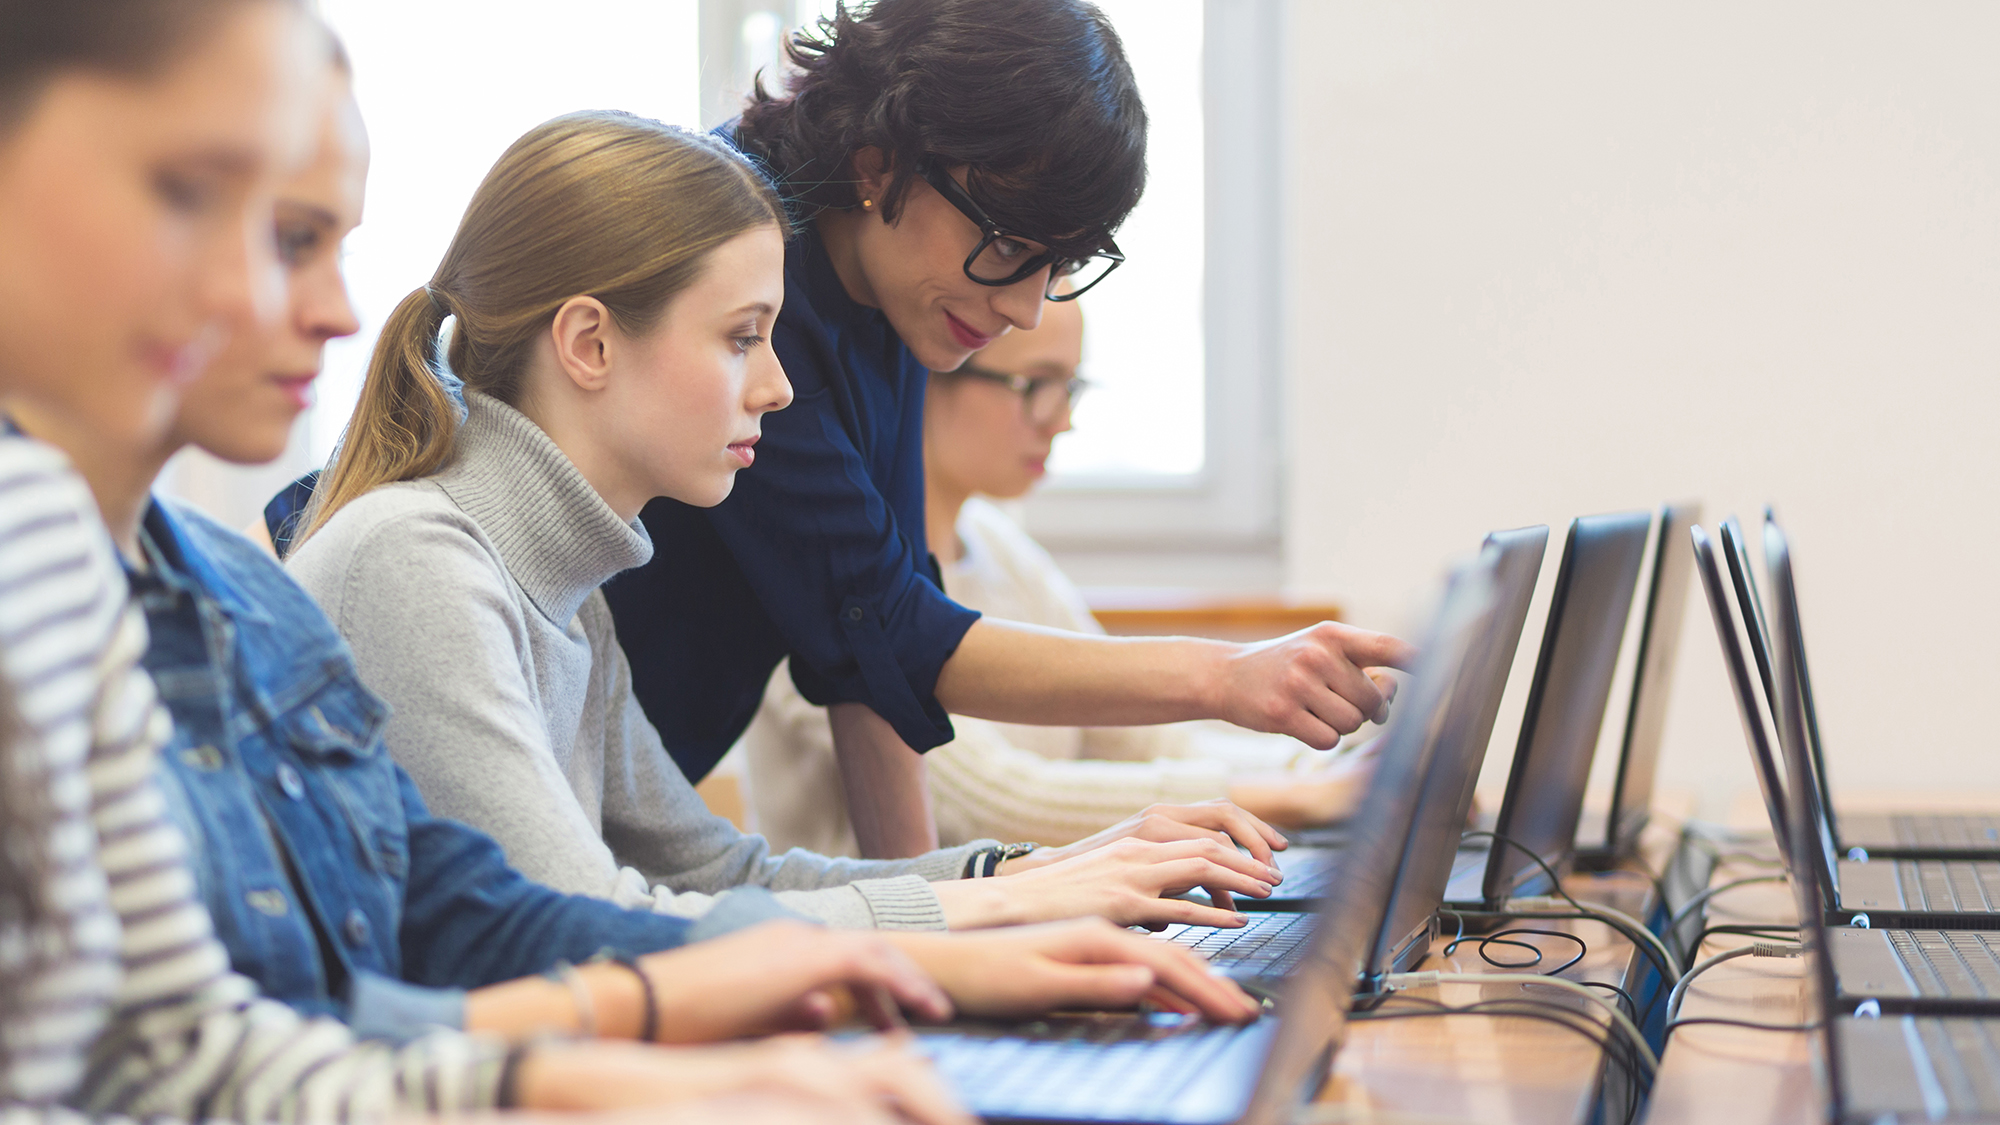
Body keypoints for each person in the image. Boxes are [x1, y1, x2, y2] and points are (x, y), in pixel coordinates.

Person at [283, 107, 1287, 934]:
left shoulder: (567, 592)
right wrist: (1010, 904)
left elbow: (719, 872)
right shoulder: (418, 561)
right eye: (741, 339)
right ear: (588, 343)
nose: (774, 387)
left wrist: (1032, 873)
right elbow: (586, 931)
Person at [592, 0, 1417, 860]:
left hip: (621, 801)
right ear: (882, 164)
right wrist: (1223, 676)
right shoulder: (752, 274)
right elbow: (897, 632)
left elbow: (873, 660)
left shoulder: (892, 280)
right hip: (543, 795)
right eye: (1009, 245)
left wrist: (934, 930)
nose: (1026, 308)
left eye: (1060, 265)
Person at [742, 298, 1383, 856]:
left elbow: (1138, 743)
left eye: (1072, 387)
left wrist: (1328, 765)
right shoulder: (821, 566)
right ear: (933, 374)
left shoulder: (998, 547)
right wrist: (1301, 799)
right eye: (1036, 384)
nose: (1062, 418)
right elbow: (994, 803)